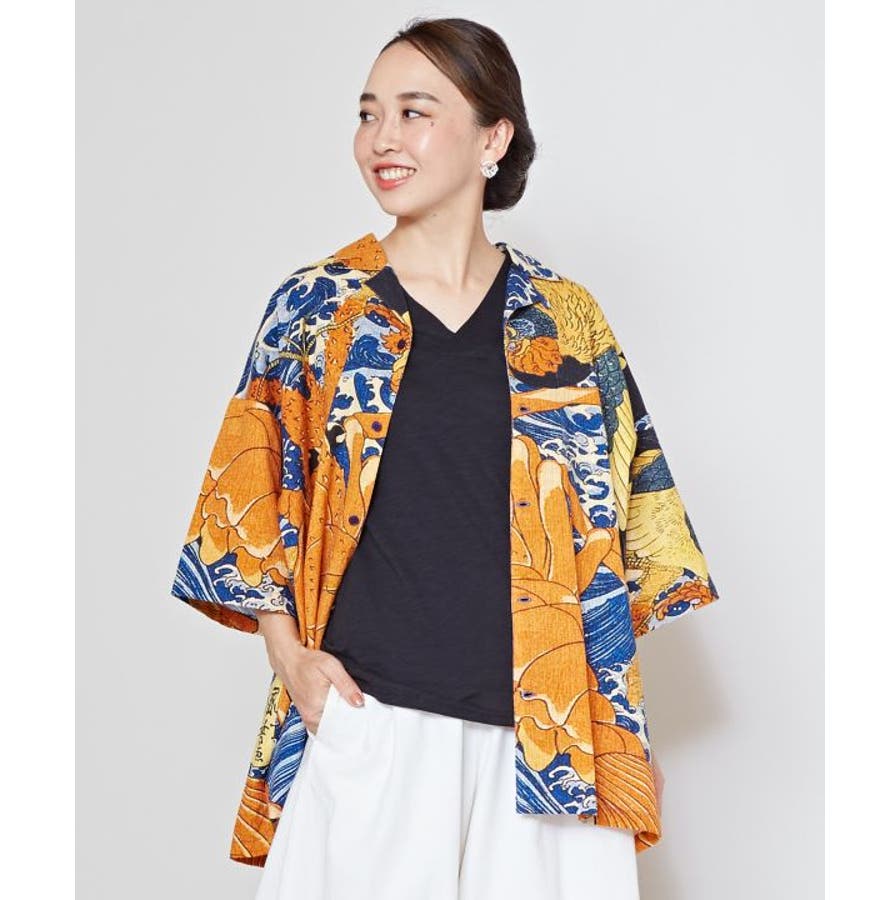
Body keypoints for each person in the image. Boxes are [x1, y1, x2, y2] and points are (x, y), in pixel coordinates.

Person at [170, 15, 719, 900]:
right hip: (374, 720)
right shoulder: (320, 308)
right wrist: (291, 662)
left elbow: (618, 539)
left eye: (415, 112)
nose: (382, 139)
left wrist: (624, 735)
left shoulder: (566, 321)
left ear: (492, 139)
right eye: (368, 113)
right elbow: (249, 499)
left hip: (554, 738)